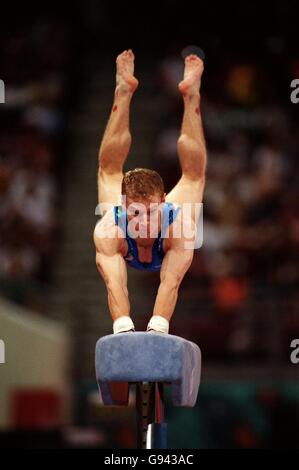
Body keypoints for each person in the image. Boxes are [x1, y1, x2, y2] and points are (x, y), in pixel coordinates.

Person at [93, 50, 207, 334]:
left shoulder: (177, 227)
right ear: (123, 205)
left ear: (165, 202)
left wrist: (158, 327)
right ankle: (122, 90)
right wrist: (122, 327)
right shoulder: (111, 229)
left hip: (170, 224)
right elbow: (115, 284)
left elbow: (171, 282)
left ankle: (192, 95)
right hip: (120, 221)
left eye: (151, 212)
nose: (143, 222)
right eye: (135, 213)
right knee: (107, 170)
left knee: (194, 176)